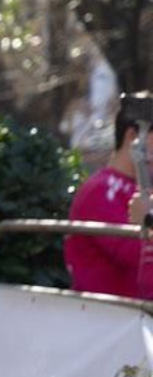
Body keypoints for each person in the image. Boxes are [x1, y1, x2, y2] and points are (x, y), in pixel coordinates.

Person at [64, 92, 153, 300]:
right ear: (133, 136)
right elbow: (136, 256)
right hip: (112, 322)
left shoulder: (142, 190)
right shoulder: (100, 191)